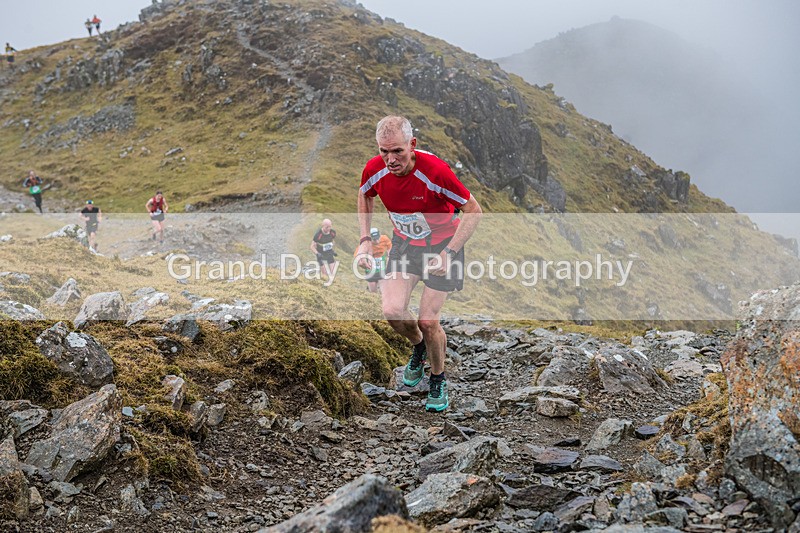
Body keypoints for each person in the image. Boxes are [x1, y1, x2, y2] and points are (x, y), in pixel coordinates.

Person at [357, 115, 482, 412]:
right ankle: (419, 347)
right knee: (392, 311)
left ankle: (438, 379)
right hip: (405, 245)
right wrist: (364, 239)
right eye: (383, 151)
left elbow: (474, 211)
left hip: (443, 245)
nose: (390, 159)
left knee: (428, 321)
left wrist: (449, 253)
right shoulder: (374, 169)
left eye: (397, 151)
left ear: (412, 145)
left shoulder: (436, 172)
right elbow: (365, 195)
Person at [354, 227, 392, 293]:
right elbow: (357, 256)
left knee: (383, 291)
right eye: (374, 239)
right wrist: (362, 262)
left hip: (382, 269)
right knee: (373, 292)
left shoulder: (384, 238)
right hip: (370, 271)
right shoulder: (365, 244)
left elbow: (390, 247)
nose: (377, 241)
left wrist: (389, 256)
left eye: (378, 238)